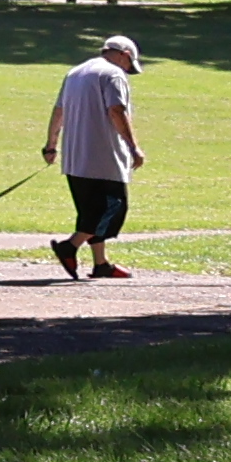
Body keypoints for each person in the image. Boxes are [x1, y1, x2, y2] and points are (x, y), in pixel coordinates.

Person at [43, 33, 147, 280]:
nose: (127, 69)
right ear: (125, 55)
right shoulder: (113, 74)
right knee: (112, 209)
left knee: (89, 210)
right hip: (104, 156)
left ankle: (101, 264)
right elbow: (116, 110)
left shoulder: (75, 73)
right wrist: (134, 146)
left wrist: (51, 145)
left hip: (75, 157)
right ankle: (70, 246)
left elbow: (59, 110)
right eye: (129, 64)